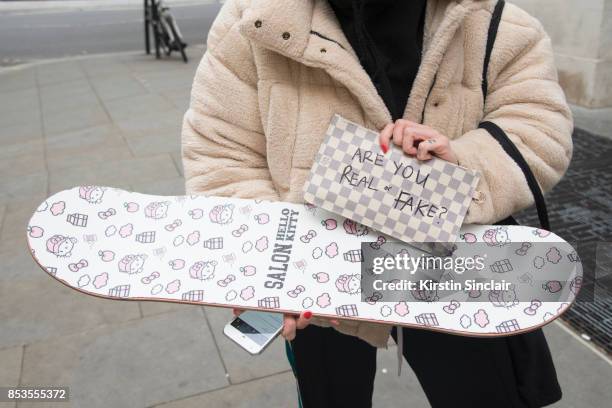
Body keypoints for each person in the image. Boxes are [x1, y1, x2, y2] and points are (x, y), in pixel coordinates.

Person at [181, 0, 573, 407]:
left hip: (453, 265)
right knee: (331, 396)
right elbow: (221, 150)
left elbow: (538, 126)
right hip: (316, 271)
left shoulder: (495, 20)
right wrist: (267, 257)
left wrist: (461, 164)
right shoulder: (253, 17)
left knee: (481, 391)